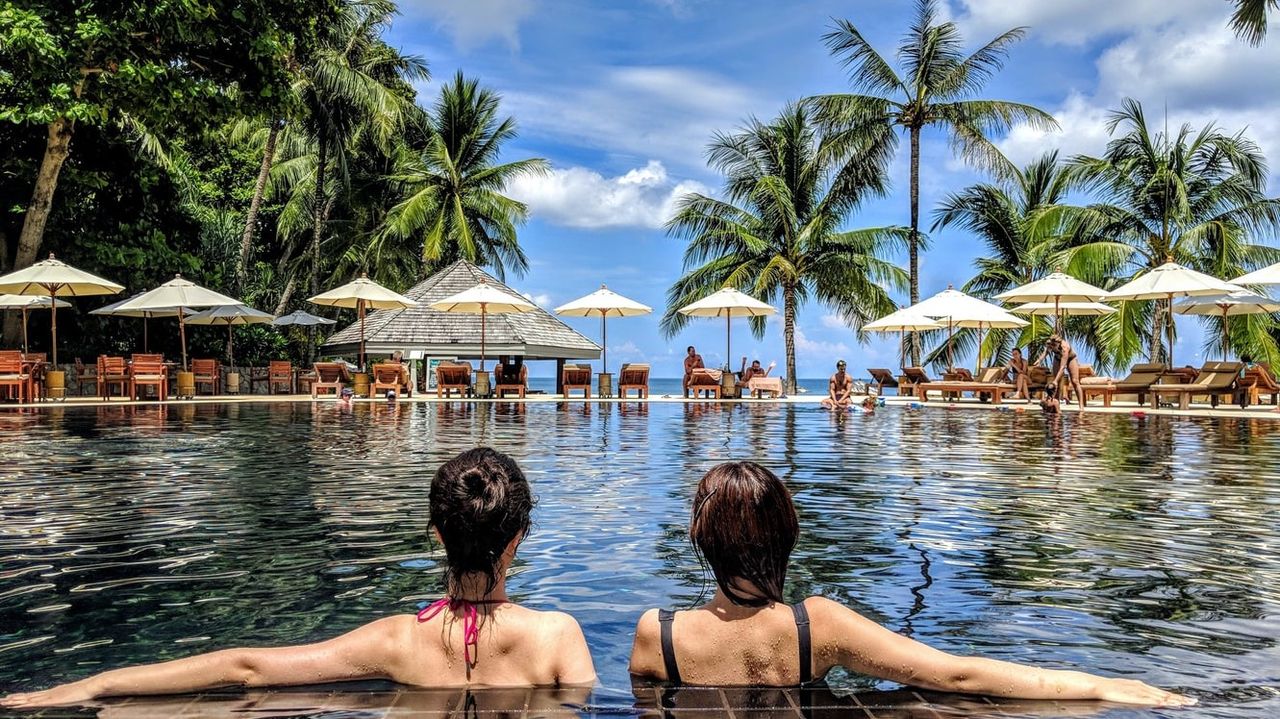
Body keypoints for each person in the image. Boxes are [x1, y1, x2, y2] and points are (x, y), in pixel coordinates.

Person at [1, 448, 596, 710]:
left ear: (436, 534)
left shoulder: (395, 640)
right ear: (518, 537)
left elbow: (246, 666)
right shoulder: (556, 637)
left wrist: (100, 684)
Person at [628, 462, 1192, 707]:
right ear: (787, 533)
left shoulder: (658, 633)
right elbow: (956, 673)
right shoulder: (812, 624)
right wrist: (1096, 685)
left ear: (700, 540)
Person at [1037, 334, 1084, 409]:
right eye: (1051, 345)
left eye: (1054, 345)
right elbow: (1046, 352)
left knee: (1075, 381)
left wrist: (1055, 381)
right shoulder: (1050, 343)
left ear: (1059, 343)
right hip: (1057, 358)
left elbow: (1062, 367)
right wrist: (1039, 360)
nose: (1053, 347)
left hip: (1070, 359)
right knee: (1057, 383)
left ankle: (1081, 406)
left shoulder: (1065, 348)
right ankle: (1056, 404)